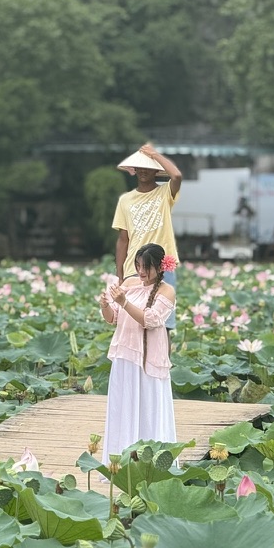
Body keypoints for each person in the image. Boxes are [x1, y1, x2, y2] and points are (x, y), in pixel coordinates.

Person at [99, 243, 177, 463]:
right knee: (122, 409)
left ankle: (150, 462)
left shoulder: (166, 291)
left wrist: (123, 302)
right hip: (125, 355)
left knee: (148, 410)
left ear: (160, 267)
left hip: (148, 360)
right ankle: (120, 462)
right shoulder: (129, 283)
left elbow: (150, 320)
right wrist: (105, 305)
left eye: (147, 267)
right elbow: (112, 318)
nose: (141, 272)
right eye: (138, 266)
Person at [112, 143, 182, 330]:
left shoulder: (164, 193)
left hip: (162, 265)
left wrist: (154, 155)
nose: (144, 171)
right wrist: (120, 275)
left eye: (148, 167)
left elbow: (176, 175)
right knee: (133, 323)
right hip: (135, 268)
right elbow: (123, 240)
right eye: (140, 167)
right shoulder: (125, 200)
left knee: (162, 325)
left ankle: (162, 361)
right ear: (134, 170)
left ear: (156, 171)